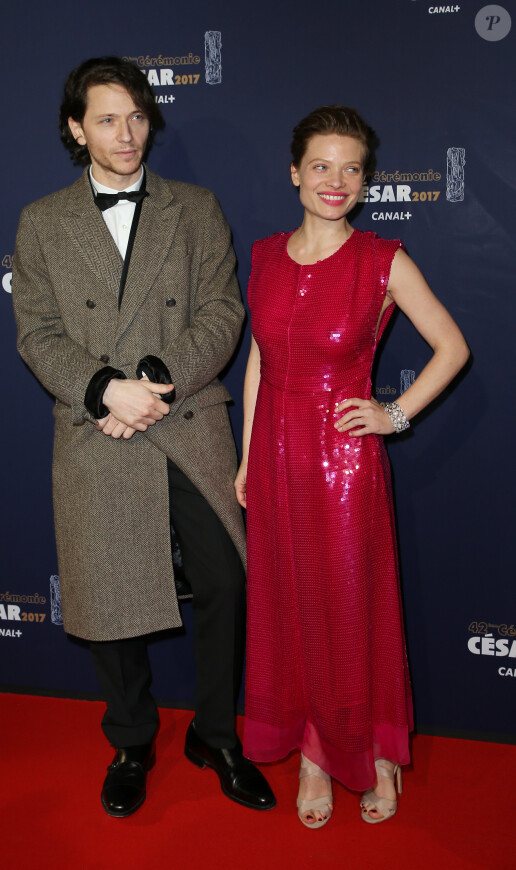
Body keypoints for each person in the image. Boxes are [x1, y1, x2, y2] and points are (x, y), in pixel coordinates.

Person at [12, 56, 275, 818]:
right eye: (106, 119)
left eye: (136, 117)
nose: (126, 135)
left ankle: (217, 735)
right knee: (110, 595)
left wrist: (155, 381)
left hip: (184, 415)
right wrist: (104, 389)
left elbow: (224, 312)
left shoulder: (195, 206)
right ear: (75, 129)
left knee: (227, 582)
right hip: (99, 428)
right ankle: (131, 740)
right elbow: (38, 333)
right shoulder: (41, 221)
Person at [234, 105, 469, 828]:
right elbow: (258, 364)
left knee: (351, 611)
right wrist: (246, 457)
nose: (336, 181)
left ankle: (373, 752)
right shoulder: (267, 256)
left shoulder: (382, 259)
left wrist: (393, 415)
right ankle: (312, 750)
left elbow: (452, 348)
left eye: (352, 168)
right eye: (322, 165)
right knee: (289, 609)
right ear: (295, 173)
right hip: (274, 461)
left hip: (344, 470)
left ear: (365, 180)